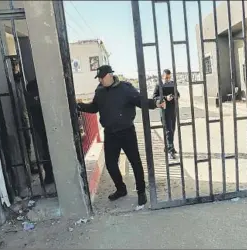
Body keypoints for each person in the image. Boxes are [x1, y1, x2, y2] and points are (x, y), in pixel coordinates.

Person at [77, 65, 165, 207]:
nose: (100, 80)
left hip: (126, 132)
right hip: (110, 133)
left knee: (135, 162)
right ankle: (121, 189)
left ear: (110, 75)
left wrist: (155, 103)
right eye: (98, 78)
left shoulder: (125, 88)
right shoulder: (99, 91)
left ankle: (141, 192)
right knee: (111, 164)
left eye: (102, 77)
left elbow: (140, 101)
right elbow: (94, 107)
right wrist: (80, 106)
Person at [26, 78, 55, 185]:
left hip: (41, 128)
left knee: (46, 151)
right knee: (49, 151)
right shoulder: (43, 90)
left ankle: (49, 176)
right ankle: (51, 175)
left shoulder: (31, 91)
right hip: (48, 126)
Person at [152, 69, 180, 159]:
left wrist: (175, 96)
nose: (168, 79)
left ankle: (168, 147)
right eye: (166, 77)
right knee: (168, 130)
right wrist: (165, 97)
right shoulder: (158, 85)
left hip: (173, 110)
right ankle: (170, 150)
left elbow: (178, 94)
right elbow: (154, 97)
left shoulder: (172, 83)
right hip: (164, 110)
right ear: (162, 76)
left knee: (172, 129)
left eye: (169, 77)